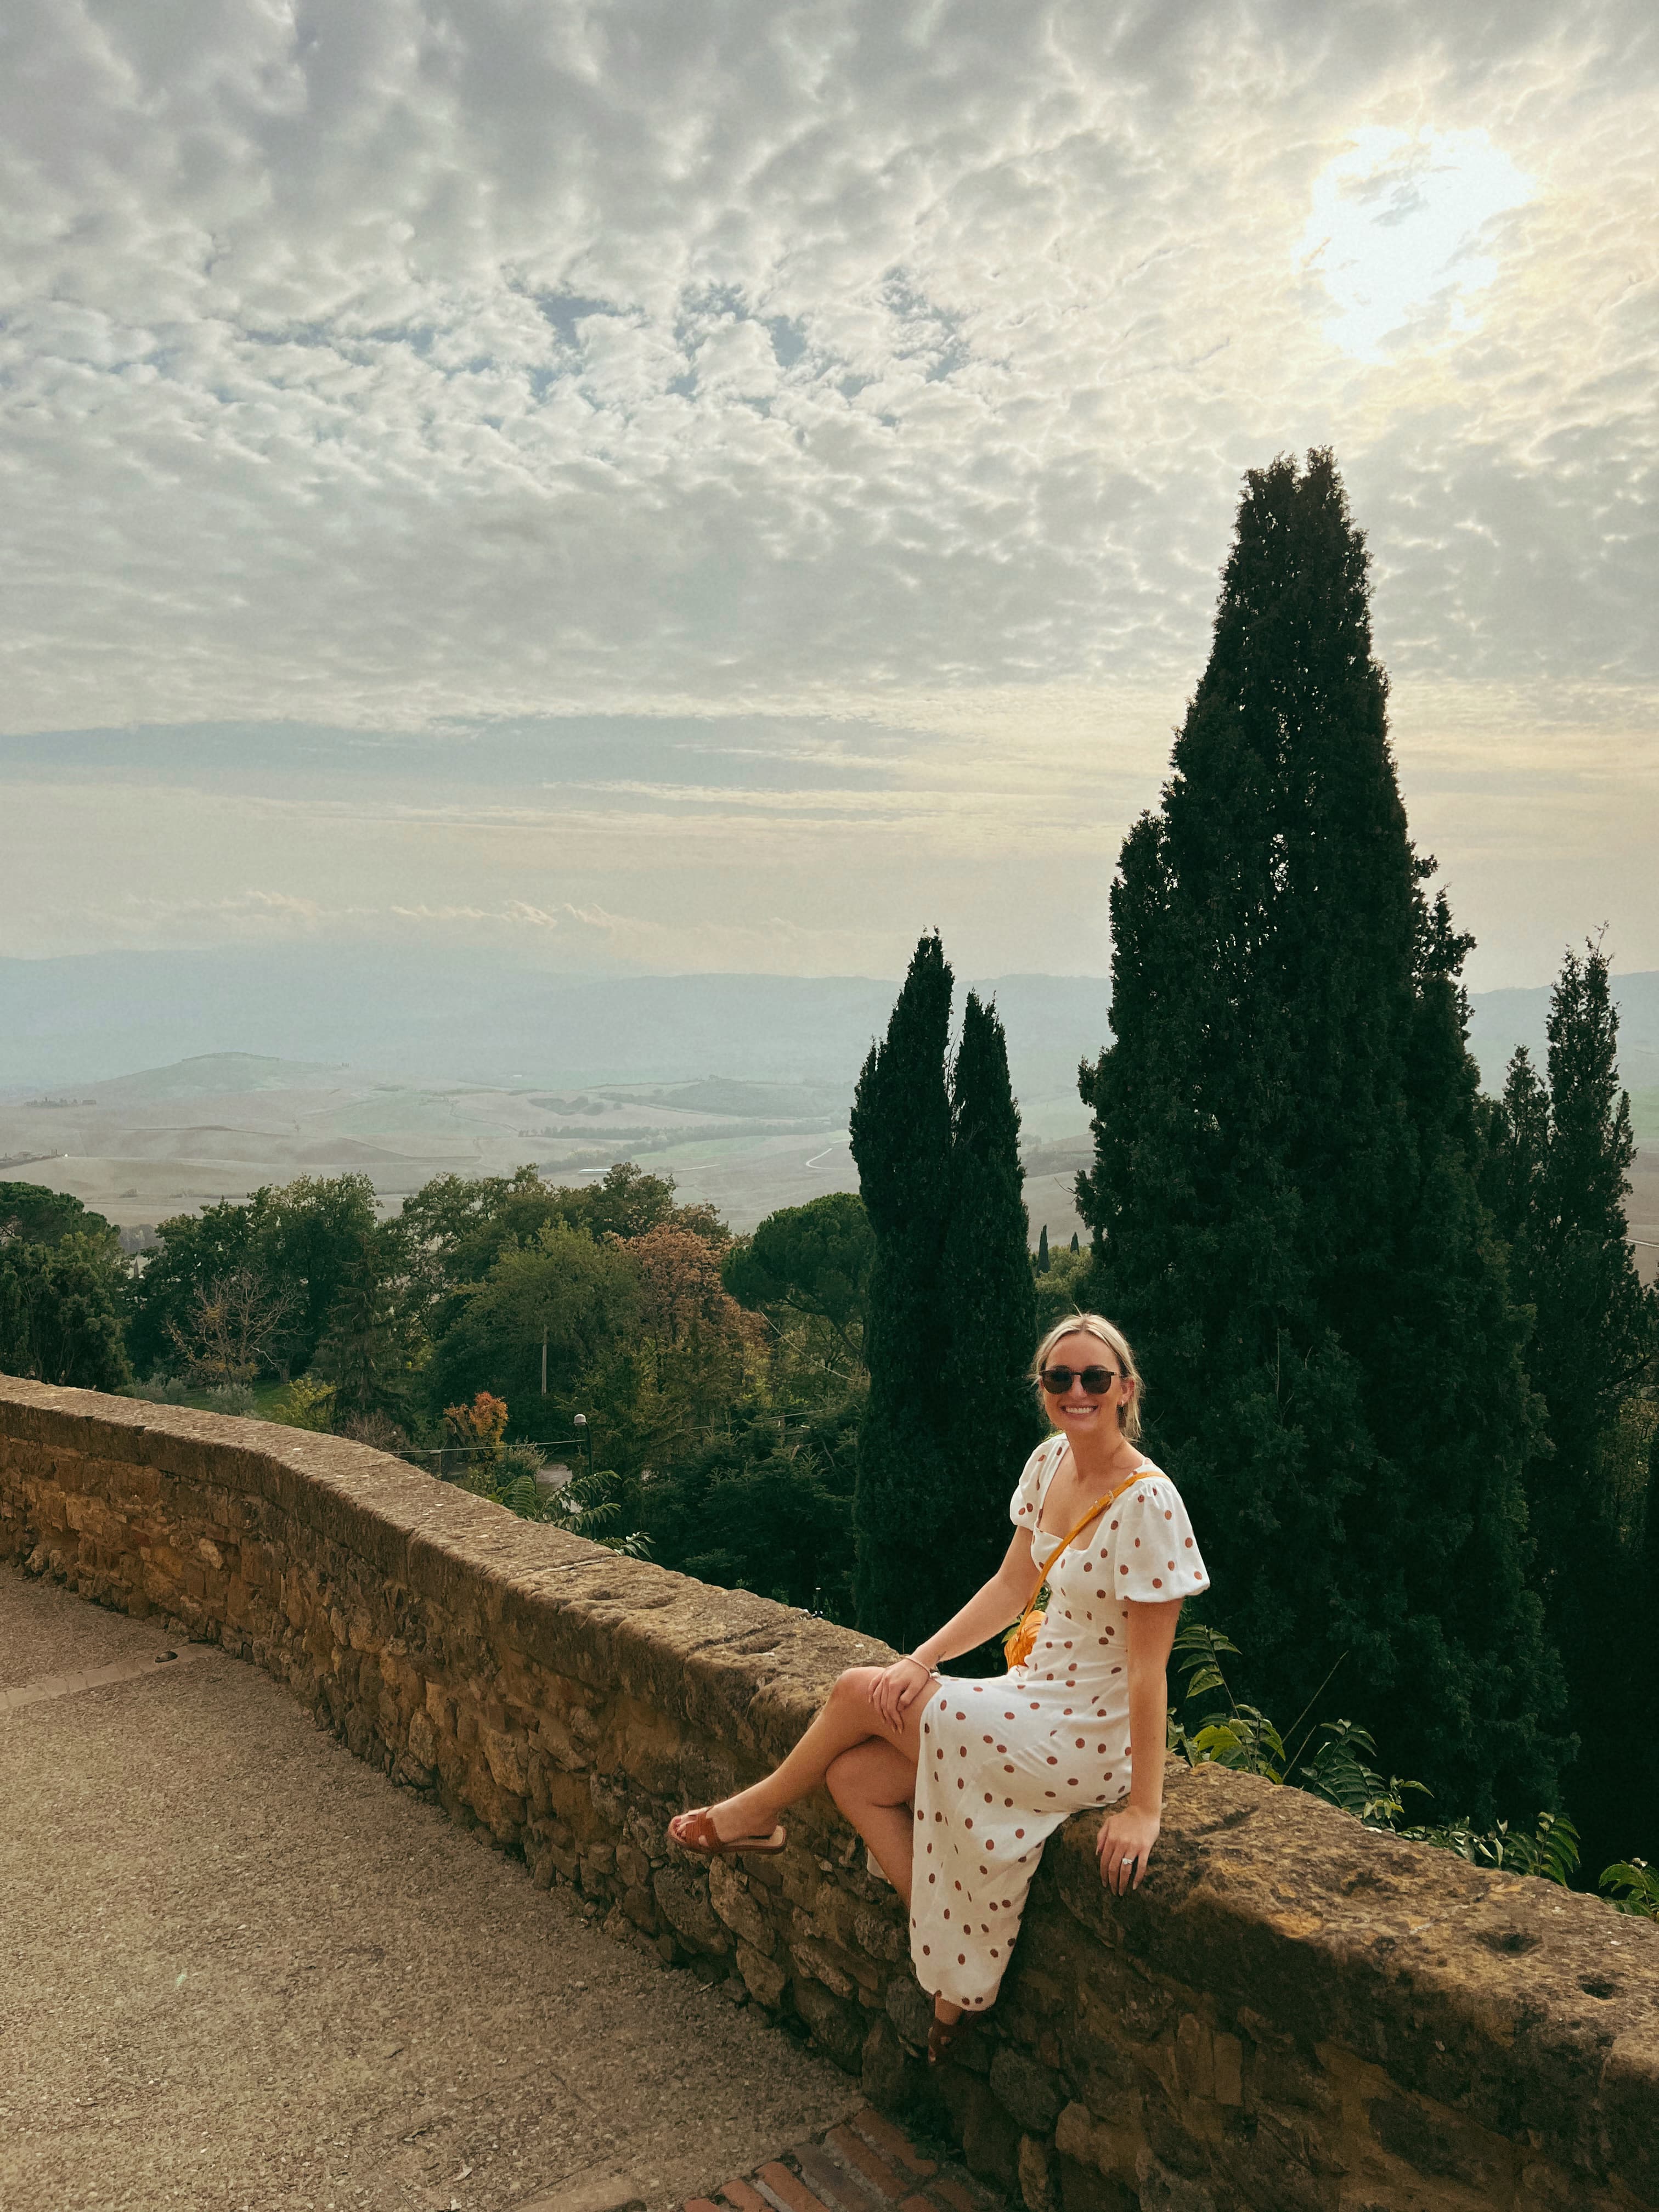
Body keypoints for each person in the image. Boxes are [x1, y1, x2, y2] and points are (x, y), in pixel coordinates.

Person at [668, 1313, 1210, 2062]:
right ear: (1044, 1389)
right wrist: (923, 1659)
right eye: (1059, 1378)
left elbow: (1150, 1672)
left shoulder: (1149, 1503)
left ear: (1126, 1389)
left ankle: (753, 1814)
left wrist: (1145, 1809)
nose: (1076, 1391)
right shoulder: (1050, 1463)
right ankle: (960, 1968)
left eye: (1095, 1378)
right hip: (1033, 1696)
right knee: (855, 1778)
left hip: (1086, 1737)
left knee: (861, 1691)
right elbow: (1012, 1586)